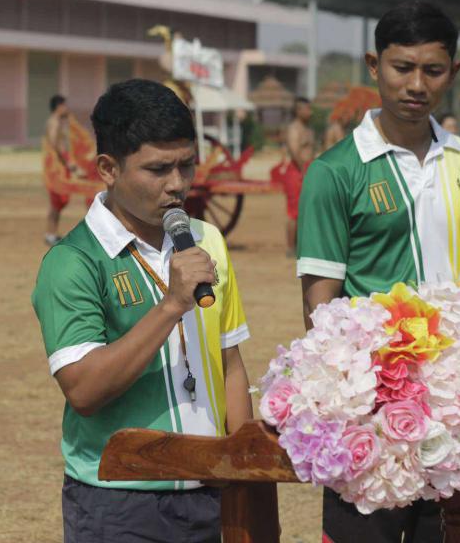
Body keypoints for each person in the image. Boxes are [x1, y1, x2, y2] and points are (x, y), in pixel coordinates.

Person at [296, 1, 460, 543]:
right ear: (374, 65)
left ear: (453, 72)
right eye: (402, 67)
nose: (416, 84)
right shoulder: (334, 171)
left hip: (457, 414)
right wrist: (355, 398)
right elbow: (320, 306)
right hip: (371, 416)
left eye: (432, 70)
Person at [32, 79, 253, 543]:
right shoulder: (73, 261)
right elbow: (84, 391)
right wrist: (172, 305)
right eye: (158, 169)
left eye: (187, 165)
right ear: (108, 169)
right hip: (118, 501)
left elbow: (231, 364)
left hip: (211, 493)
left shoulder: (207, 240)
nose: (178, 184)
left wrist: (246, 476)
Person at [283, 96, 315, 254]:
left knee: (306, 210)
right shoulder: (294, 129)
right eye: (307, 109)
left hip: (307, 169)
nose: (310, 112)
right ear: (298, 110)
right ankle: (290, 247)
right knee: (294, 212)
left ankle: (301, 244)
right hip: (297, 172)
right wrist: (304, 170)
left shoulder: (308, 129)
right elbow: (294, 151)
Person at [43, 94, 75, 245]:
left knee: (58, 201)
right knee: (58, 200)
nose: (67, 108)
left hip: (58, 164)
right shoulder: (55, 122)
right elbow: (55, 144)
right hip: (58, 165)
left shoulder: (57, 121)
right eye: (64, 105)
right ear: (59, 106)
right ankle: (50, 234)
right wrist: (66, 162)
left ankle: (52, 233)